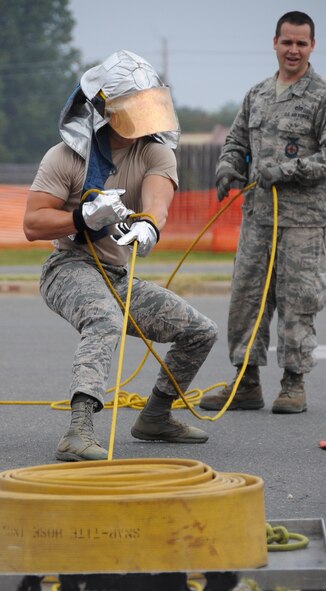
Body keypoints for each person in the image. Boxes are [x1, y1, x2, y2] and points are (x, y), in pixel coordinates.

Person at [23, 50, 218, 462]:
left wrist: (149, 223)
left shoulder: (155, 151)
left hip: (116, 275)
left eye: (150, 105)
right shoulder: (66, 157)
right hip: (68, 267)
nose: (144, 117)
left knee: (200, 331)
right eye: (134, 107)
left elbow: (158, 195)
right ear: (105, 109)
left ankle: (156, 416)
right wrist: (81, 216)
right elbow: (33, 224)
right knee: (104, 318)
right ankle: (78, 432)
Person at [200, 12, 326, 414]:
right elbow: (236, 139)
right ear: (274, 43)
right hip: (257, 219)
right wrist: (226, 166)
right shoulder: (257, 94)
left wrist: (286, 171)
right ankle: (246, 382)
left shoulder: (321, 96)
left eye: (301, 43)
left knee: (298, 301)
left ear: (312, 47)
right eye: (287, 42)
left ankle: (293, 385)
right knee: (247, 299)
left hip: (302, 221)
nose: (293, 50)